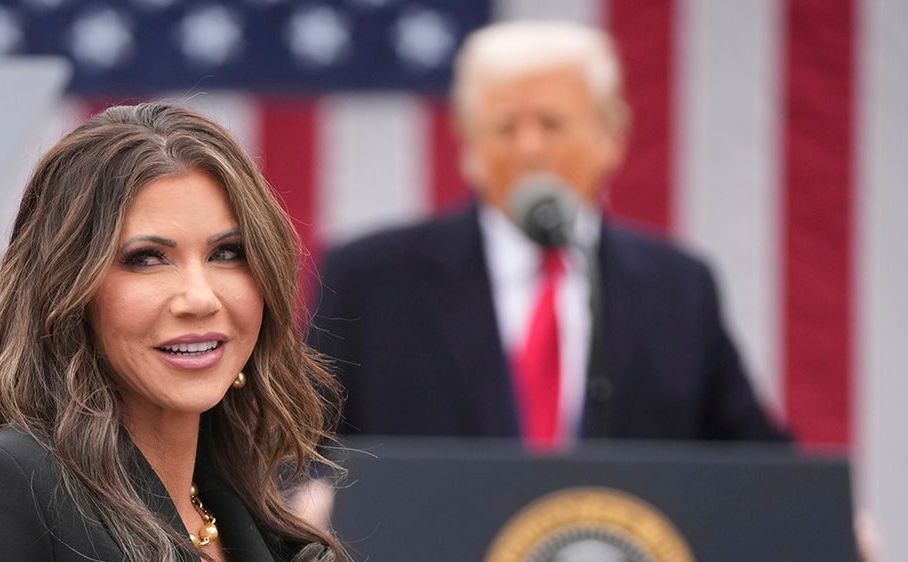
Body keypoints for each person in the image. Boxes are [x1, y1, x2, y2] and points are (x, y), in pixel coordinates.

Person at [0, 102, 353, 562]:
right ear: (67, 289)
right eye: (146, 259)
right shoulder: (5, 493)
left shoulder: (247, 513)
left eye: (227, 254)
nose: (199, 297)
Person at [309, 20, 791, 447]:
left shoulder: (678, 288)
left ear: (611, 137)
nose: (530, 148)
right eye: (504, 126)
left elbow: (751, 457)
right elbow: (299, 446)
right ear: (468, 142)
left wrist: (820, 516)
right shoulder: (371, 279)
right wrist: (313, 499)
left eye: (552, 123)